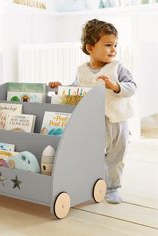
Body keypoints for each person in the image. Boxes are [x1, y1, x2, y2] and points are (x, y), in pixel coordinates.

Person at [49, 19, 137, 204]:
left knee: (116, 156)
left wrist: (115, 86)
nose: (113, 49)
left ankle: (112, 188)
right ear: (90, 48)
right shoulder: (82, 71)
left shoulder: (117, 68)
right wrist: (61, 88)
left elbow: (132, 86)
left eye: (115, 45)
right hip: (94, 122)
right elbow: (75, 90)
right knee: (92, 154)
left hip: (117, 121)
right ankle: (95, 184)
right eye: (108, 45)